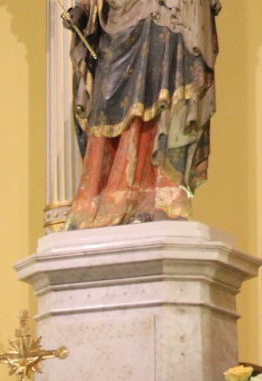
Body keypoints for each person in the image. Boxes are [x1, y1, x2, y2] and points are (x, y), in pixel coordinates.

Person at [65, 0, 220, 228]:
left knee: (159, 97)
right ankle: (106, 201)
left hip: (162, 13)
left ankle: (155, 198)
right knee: (105, 102)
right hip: (115, 22)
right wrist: (83, 9)